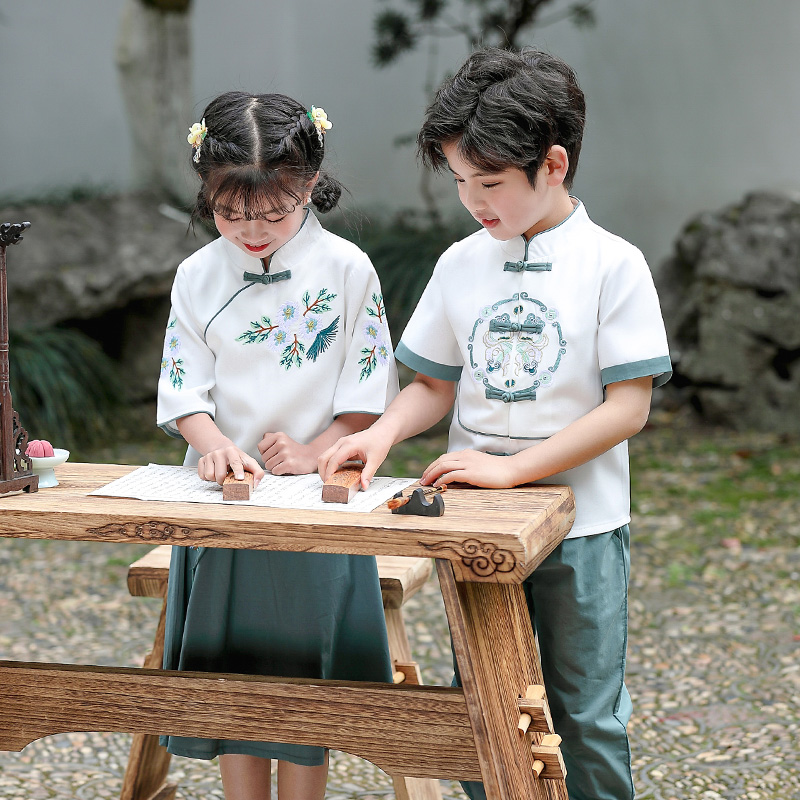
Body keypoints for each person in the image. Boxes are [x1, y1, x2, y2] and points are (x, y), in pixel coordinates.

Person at [319, 47, 672, 800]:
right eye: (459, 183)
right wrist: (380, 434)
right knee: (484, 703)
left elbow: (628, 407)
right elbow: (432, 385)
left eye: (490, 183)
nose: (474, 201)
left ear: (553, 164)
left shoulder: (615, 265)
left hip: (582, 525)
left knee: (585, 711)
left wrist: (514, 467)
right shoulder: (460, 263)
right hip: (474, 521)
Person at [156, 91, 398, 800]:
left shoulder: (349, 269)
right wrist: (210, 447)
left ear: (310, 187)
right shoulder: (197, 275)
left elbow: (367, 391)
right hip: (223, 496)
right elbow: (183, 388)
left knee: (306, 668)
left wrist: (320, 446)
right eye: (230, 213)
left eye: (273, 212)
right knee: (232, 668)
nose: (250, 231)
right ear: (207, 195)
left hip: (315, 493)